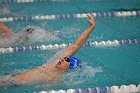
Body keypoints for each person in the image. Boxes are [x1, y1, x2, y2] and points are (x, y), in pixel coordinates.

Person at [0, 14, 96, 86]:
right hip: (11, 78)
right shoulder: (53, 63)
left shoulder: (56, 78)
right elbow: (76, 44)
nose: (63, 59)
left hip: (11, 84)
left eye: (67, 60)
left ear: (69, 67)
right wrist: (91, 28)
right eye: (65, 58)